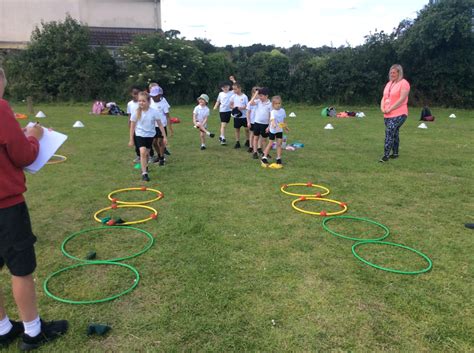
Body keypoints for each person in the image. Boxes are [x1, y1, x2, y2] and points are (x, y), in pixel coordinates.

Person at [0, 67, 68, 350]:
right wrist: (34, 136)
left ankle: (3, 329)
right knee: (21, 268)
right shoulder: (0, 107)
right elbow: (24, 154)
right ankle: (32, 332)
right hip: (6, 205)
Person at [128, 91, 167, 181]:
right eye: (140, 101)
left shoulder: (154, 112)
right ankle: (144, 173)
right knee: (142, 152)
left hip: (150, 136)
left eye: (143, 101)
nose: (141, 103)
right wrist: (131, 139)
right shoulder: (136, 112)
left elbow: (160, 125)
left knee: (146, 154)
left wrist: (164, 136)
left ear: (148, 102)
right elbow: (132, 126)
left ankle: (145, 165)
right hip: (139, 135)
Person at [379, 64, 410, 162]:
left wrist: (391, 108)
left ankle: (385, 155)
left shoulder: (404, 83)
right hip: (387, 114)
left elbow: (401, 99)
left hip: (400, 113)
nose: (392, 74)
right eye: (391, 72)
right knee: (394, 132)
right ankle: (395, 153)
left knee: (389, 131)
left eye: (394, 72)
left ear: (399, 73)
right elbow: (384, 97)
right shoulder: (389, 83)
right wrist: (382, 108)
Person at [261, 96, 289, 165]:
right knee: (270, 144)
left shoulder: (283, 111)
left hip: (279, 131)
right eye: (276, 103)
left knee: (279, 144)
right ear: (273, 104)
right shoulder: (273, 112)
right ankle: (264, 157)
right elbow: (272, 120)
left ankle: (278, 158)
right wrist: (273, 125)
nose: (278, 105)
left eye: (279, 103)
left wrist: (285, 127)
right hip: (273, 131)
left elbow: (283, 120)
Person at [249, 87, 272, 160]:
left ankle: (265, 153)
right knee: (256, 138)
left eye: (261, 96)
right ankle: (255, 152)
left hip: (265, 124)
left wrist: (269, 126)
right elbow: (251, 103)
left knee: (264, 140)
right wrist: (256, 93)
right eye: (259, 95)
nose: (260, 97)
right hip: (257, 123)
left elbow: (271, 116)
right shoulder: (258, 101)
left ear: (266, 96)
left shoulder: (270, 104)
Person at [150, 86, 170, 166]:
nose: (153, 97)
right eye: (152, 95)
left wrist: (170, 127)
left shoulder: (163, 102)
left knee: (160, 142)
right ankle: (159, 155)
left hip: (162, 125)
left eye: (155, 95)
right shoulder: (150, 101)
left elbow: (167, 115)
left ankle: (162, 158)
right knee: (154, 142)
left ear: (159, 95)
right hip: (152, 125)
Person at [213, 76, 236, 145]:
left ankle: (221, 136)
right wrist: (215, 106)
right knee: (223, 125)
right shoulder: (220, 94)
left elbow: (237, 86)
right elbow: (218, 101)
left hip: (230, 110)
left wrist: (233, 80)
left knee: (226, 124)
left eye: (226, 86)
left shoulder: (232, 92)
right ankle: (222, 137)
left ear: (229, 87)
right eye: (223, 87)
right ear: (221, 88)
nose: (225, 88)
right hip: (222, 111)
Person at [229, 82, 249, 149]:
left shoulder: (244, 96)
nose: (234, 91)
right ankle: (237, 142)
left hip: (244, 116)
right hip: (236, 116)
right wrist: (234, 108)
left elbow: (247, 106)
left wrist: (242, 108)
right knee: (237, 129)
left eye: (235, 89)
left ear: (240, 88)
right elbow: (230, 105)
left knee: (246, 129)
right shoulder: (233, 96)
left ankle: (247, 141)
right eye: (233, 89)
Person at [127, 86, 141, 163]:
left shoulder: (141, 103)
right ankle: (138, 155)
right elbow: (129, 114)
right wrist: (129, 122)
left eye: (137, 94)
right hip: (134, 125)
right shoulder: (129, 104)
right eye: (134, 94)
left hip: (141, 124)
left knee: (143, 140)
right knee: (135, 141)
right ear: (131, 94)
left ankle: (150, 155)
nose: (135, 95)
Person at [246, 86, 260, 153]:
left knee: (259, 135)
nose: (257, 95)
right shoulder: (250, 103)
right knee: (252, 134)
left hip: (259, 121)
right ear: (253, 93)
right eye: (255, 93)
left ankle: (259, 147)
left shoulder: (260, 102)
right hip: (252, 121)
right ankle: (251, 146)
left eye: (258, 93)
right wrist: (248, 122)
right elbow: (248, 113)